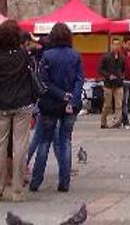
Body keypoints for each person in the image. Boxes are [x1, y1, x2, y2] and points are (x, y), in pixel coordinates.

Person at [0, 19, 36, 203]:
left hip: (0, 107)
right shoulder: (23, 55)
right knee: (20, 145)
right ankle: (18, 190)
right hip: (22, 105)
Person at [29, 23, 84, 194]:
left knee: (44, 142)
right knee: (65, 142)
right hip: (70, 106)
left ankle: (36, 181)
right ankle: (64, 182)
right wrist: (72, 98)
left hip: (50, 104)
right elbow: (79, 80)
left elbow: (44, 82)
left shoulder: (47, 55)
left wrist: (61, 95)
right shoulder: (76, 56)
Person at [97, 39, 126, 129]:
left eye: (118, 45)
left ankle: (116, 122)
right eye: (114, 45)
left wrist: (121, 76)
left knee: (119, 104)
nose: (116, 47)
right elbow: (100, 69)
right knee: (107, 105)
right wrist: (108, 75)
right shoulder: (106, 57)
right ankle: (103, 121)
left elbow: (123, 69)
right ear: (111, 46)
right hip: (108, 84)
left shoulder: (122, 58)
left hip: (118, 84)